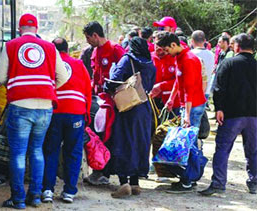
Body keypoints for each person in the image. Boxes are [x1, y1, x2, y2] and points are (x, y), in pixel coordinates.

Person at [0, 13, 69, 209]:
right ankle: (35, 197)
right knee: (37, 151)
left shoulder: (10, 45)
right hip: (45, 107)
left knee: (18, 153)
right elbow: (62, 76)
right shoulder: (50, 47)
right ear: (37, 29)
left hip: (20, 106)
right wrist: (47, 88)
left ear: (20, 28)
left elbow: (2, 77)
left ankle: (18, 199)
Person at [199, 33, 257, 196]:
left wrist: (219, 108)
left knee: (223, 149)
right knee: (253, 150)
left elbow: (219, 88)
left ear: (237, 46)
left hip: (232, 114)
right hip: (253, 116)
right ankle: (254, 183)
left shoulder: (228, 63)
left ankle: (218, 183)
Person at [42, 37, 92, 203]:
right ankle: (69, 191)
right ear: (67, 49)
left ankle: (47, 190)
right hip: (75, 112)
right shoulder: (78, 64)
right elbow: (87, 90)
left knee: (51, 150)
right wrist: (86, 116)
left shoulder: (48, 64)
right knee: (73, 151)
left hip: (54, 112)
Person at [156, 32, 206, 193]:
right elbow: (179, 81)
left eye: (165, 49)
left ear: (173, 45)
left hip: (193, 106)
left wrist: (187, 115)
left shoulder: (189, 60)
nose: (165, 53)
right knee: (186, 143)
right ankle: (188, 178)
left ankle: (188, 181)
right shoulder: (179, 57)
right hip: (187, 105)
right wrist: (171, 99)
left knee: (188, 144)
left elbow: (189, 90)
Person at [105, 37, 156, 198]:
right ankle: (135, 183)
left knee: (124, 142)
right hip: (144, 107)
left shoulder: (127, 60)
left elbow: (113, 81)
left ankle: (123, 183)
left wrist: (108, 84)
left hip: (127, 108)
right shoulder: (150, 63)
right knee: (140, 143)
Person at [82, 21, 125, 185]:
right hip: (98, 101)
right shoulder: (94, 52)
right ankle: (99, 170)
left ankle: (106, 172)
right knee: (97, 136)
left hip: (113, 103)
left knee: (109, 136)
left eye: (88, 38)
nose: (87, 41)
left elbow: (125, 74)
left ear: (95, 35)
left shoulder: (115, 49)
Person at [190, 30, 215, 100]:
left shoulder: (190, 54)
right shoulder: (211, 54)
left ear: (192, 41)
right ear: (205, 41)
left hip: (193, 92)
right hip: (206, 90)